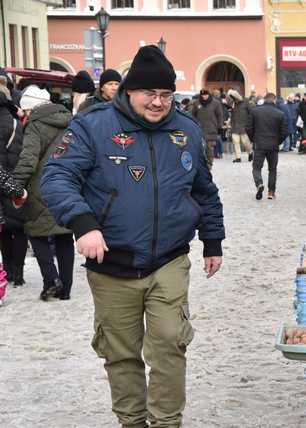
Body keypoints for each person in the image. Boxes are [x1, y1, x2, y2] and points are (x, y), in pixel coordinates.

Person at [41, 45, 225, 428]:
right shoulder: (93, 126)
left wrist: (212, 241)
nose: (159, 103)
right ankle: (132, 422)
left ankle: (166, 422)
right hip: (112, 264)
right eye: (150, 94)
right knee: (120, 353)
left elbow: (204, 191)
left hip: (169, 259)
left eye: (166, 95)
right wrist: (83, 223)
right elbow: (56, 178)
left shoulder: (186, 130)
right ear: (129, 91)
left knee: (170, 343)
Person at [13, 85, 75, 301]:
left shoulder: (35, 125)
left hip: (42, 187)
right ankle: (65, 289)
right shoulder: (69, 119)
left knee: (37, 232)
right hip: (69, 184)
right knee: (65, 235)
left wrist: (16, 184)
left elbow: (28, 160)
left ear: (31, 108)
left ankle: (51, 279)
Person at [0, 90, 28, 286]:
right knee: (18, 229)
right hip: (15, 180)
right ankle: (18, 273)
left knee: (2, 230)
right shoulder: (17, 124)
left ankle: (7, 269)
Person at [247, 93, 287, 200]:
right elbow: (284, 132)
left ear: (264, 99)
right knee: (272, 169)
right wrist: (278, 141)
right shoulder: (280, 114)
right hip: (273, 145)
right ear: (274, 100)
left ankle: (259, 184)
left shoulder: (255, 111)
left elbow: (248, 128)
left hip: (259, 144)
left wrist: (253, 139)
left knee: (256, 167)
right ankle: (271, 192)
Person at [191, 89, 224, 167]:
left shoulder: (216, 103)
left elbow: (220, 115)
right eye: (202, 95)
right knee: (200, 147)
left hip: (211, 129)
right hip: (199, 129)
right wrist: (193, 125)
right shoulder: (197, 103)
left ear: (209, 95)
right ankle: (201, 164)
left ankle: (209, 164)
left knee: (210, 148)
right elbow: (193, 115)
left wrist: (220, 126)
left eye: (206, 95)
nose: (204, 97)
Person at [227, 89, 253, 163]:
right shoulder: (233, 103)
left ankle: (250, 152)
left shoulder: (246, 101)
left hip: (244, 125)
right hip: (234, 125)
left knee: (245, 142)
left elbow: (250, 112)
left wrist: (249, 123)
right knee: (236, 142)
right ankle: (238, 157)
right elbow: (231, 112)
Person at [212, 89, 225, 159]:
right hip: (219, 122)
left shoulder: (213, 102)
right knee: (219, 138)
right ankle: (220, 153)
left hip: (214, 123)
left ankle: (216, 153)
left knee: (216, 138)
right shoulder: (221, 101)